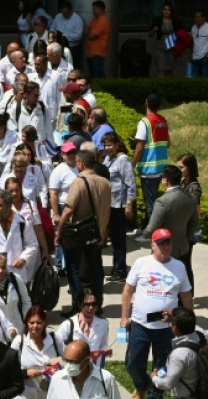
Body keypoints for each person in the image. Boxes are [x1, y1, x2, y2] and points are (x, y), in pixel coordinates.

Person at [122, 228, 193, 399]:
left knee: (161, 367)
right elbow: (127, 291)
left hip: (166, 329)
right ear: (152, 245)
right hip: (140, 324)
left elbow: (186, 296)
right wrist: (124, 317)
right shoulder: (141, 263)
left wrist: (188, 323)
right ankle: (141, 384)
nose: (165, 246)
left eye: (167, 242)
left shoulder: (179, 266)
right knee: (132, 363)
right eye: (160, 243)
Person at [55, 150, 110, 310]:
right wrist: (103, 233)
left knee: (75, 269)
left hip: (78, 235)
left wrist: (59, 231)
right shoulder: (105, 183)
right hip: (96, 234)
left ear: (81, 163)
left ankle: (78, 305)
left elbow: (68, 210)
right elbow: (107, 211)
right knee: (95, 270)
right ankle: (97, 304)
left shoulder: (78, 182)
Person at [146, 165, 200, 292]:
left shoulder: (162, 201)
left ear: (165, 180)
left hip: (163, 249)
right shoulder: (190, 198)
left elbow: (152, 227)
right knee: (182, 282)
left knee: (163, 286)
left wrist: (144, 236)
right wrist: (184, 239)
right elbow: (194, 224)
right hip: (183, 248)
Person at [0, 190, 40, 282]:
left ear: (9, 206)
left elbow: (32, 244)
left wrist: (24, 258)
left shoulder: (22, 223)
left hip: (16, 271)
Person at [132, 94, 169, 242]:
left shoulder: (144, 122)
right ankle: (147, 227)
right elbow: (168, 142)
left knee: (150, 203)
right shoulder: (163, 120)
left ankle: (150, 234)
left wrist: (132, 164)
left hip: (148, 169)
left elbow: (139, 147)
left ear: (146, 103)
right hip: (161, 167)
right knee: (153, 200)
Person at [101, 132, 134, 281]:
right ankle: (116, 268)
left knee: (119, 240)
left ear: (117, 144)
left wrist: (129, 204)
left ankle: (120, 271)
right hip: (109, 204)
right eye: (105, 145)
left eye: (109, 145)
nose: (107, 148)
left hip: (119, 205)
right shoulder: (108, 159)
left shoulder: (123, 160)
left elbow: (130, 184)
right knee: (113, 239)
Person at [55, 289, 111, 367]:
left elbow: (103, 344)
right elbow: (60, 347)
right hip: (74, 369)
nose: (91, 308)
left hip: (95, 368)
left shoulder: (103, 323)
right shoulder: (68, 325)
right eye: (87, 304)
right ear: (79, 304)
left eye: (94, 304)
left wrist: (106, 350)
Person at [0, 253, 32, 332]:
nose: (1, 271)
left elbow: (26, 301)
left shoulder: (15, 279)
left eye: (3, 267)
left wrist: (26, 321)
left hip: (18, 329)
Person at [176, 153, 202, 292]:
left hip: (188, 230)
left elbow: (195, 209)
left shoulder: (194, 186)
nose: (179, 170)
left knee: (185, 262)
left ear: (189, 168)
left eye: (181, 167)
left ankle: (189, 294)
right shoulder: (182, 182)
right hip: (181, 228)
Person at [50, 1, 84, 69]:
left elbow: (78, 36)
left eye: (66, 13)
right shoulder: (58, 16)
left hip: (73, 48)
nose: (65, 15)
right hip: (59, 46)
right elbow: (52, 28)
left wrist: (64, 36)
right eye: (63, 13)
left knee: (72, 66)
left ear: (71, 10)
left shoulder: (77, 19)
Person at [150, 3, 180, 78]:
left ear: (171, 11)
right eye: (164, 9)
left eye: (168, 10)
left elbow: (181, 32)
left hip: (172, 47)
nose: (166, 12)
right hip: (160, 48)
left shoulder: (175, 20)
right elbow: (150, 34)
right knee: (161, 70)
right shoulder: (157, 20)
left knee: (170, 71)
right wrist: (153, 30)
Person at [85, 1, 110, 79]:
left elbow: (90, 35)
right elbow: (86, 31)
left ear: (101, 9)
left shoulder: (103, 20)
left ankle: (102, 91)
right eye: (93, 9)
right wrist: (89, 32)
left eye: (95, 9)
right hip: (91, 53)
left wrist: (89, 32)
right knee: (92, 77)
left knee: (99, 76)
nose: (93, 11)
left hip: (98, 54)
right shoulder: (94, 20)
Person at [189, 11, 208, 78]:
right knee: (195, 80)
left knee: (205, 81)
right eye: (195, 17)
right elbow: (193, 43)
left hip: (205, 59)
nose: (196, 19)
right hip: (194, 58)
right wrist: (191, 56)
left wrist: (207, 56)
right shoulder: (193, 27)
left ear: (204, 18)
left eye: (198, 17)